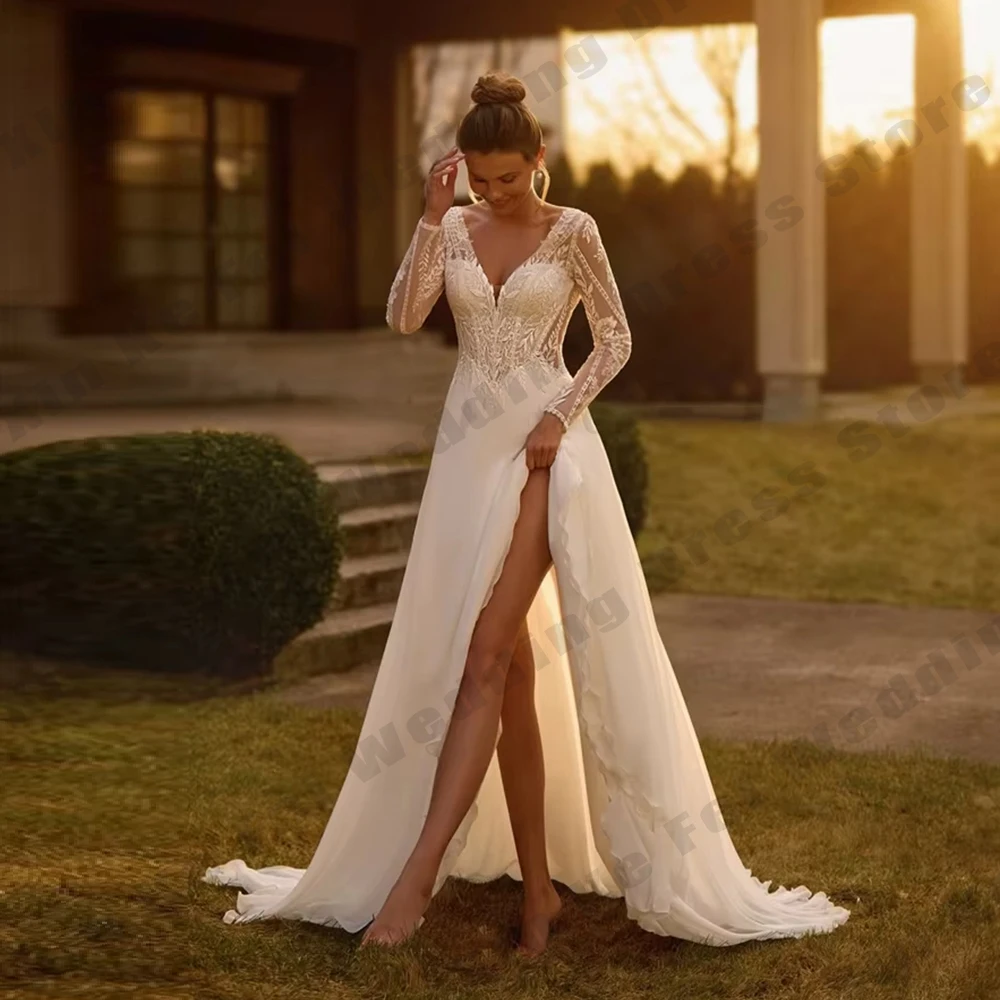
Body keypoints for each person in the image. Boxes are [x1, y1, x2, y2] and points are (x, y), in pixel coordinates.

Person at [203, 71, 851, 958]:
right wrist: (431, 218)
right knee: (507, 673)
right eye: (480, 178)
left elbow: (615, 339)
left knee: (484, 654)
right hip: (465, 454)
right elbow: (405, 317)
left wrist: (558, 414)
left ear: (538, 159)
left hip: (548, 452)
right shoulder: (454, 226)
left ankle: (415, 878)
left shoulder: (574, 230)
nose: (495, 192)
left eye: (508, 177)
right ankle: (539, 892)